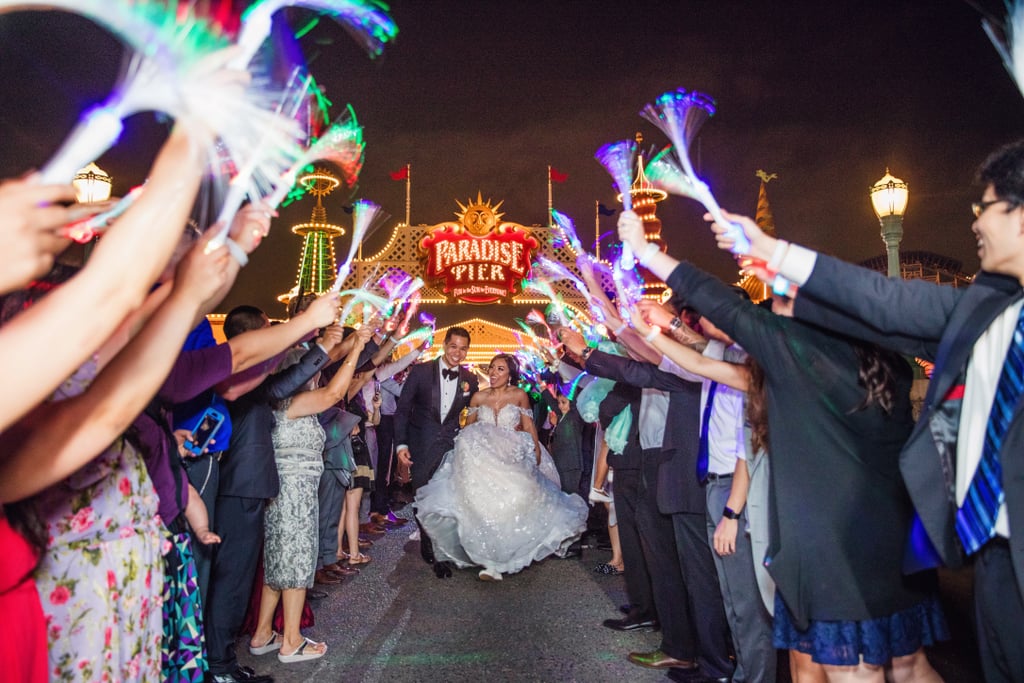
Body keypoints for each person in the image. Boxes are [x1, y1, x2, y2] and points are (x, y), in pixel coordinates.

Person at [620, 209, 947, 682]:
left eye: (783, 296)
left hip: (835, 547)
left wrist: (650, 253)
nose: (775, 305)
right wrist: (654, 330)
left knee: (854, 671)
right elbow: (711, 367)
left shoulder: (803, 357)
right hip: (896, 537)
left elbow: (728, 309)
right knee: (908, 663)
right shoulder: (880, 362)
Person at [414, 354, 588, 581]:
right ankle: (490, 562)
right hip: (484, 461)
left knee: (518, 498)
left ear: (510, 375)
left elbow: (528, 425)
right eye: (492, 368)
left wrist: (535, 449)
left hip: (511, 454)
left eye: (500, 369)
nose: (494, 373)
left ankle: (508, 552)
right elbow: (468, 430)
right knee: (483, 506)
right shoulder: (478, 397)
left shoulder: (519, 395)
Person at [394, 327, 479, 578]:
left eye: (463, 348)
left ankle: (440, 552)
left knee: (446, 499)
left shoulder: (470, 379)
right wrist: (401, 445)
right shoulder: (421, 372)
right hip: (421, 444)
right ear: (444, 345)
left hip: (450, 445)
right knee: (422, 496)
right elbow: (402, 410)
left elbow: (476, 410)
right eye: (454, 346)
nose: (458, 353)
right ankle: (426, 541)